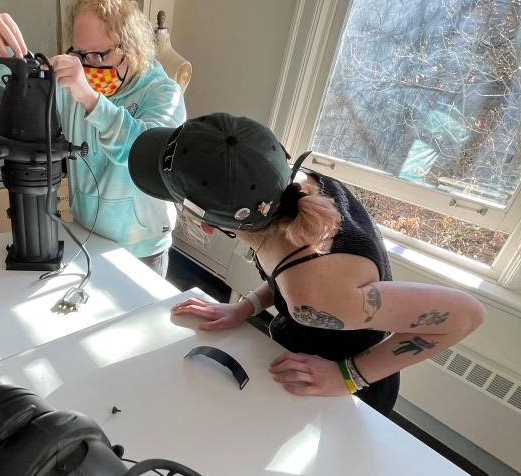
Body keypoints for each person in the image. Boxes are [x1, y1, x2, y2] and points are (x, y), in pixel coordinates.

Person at [128, 112, 485, 416]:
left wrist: (347, 376)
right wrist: (245, 307)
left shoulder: (310, 295)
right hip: (298, 351)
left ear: (207, 224)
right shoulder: (296, 189)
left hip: (345, 392)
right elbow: (291, 267)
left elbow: (467, 315)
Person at [0, 0, 186, 277]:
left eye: (99, 54)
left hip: (141, 248)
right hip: (86, 234)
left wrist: (89, 98)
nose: (88, 66)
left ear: (132, 47)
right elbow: (16, 80)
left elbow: (144, 154)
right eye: (80, 53)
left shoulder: (163, 92)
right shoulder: (73, 81)